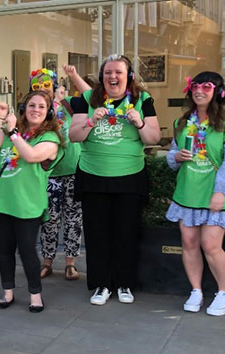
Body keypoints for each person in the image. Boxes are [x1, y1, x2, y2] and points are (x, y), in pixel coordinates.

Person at [69, 54, 160, 306]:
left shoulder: (142, 100)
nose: (113, 77)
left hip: (129, 177)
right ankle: (101, 284)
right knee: (97, 234)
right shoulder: (86, 100)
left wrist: (139, 122)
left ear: (128, 76)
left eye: (118, 72)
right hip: (93, 176)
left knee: (126, 233)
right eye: (108, 72)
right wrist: (90, 120)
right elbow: (74, 135)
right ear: (101, 77)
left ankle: (124, 283)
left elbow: (153, 138)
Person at [166, 71, 225, 316]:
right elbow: (172, 156)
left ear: (218, 92)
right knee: (189, 243)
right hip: (187, 191)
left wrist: (221, 191)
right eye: (196, 86)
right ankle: (196, 290)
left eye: (207, 87)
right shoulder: (183, 122)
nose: (199, 91)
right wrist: (176, 157)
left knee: (211, 245)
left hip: (214, 194)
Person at [0, 91, 63, 313]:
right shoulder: (12, 132)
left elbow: (31, 156)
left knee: (27, 251)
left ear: (48, 111)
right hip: (4, 202)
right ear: (23, 108)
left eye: (40, 106)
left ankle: (35, 294)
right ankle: (7, 292)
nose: (35, 110)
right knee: (4, 251)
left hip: (29, 205)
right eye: (31, 105)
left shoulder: (50, 138)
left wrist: (13, 132)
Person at [35, 65, 90, 281]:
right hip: (49, 174)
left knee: (74, 219)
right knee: (49, 220)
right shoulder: (35, 111)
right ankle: (47, 262)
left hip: (74, 171)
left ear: (55, 87)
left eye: (47, 85)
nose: (43, 89)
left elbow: (89, 99)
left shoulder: (67, 106)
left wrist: (73, 77)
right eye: (37, 86)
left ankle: (70, 264)